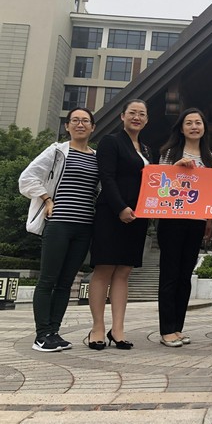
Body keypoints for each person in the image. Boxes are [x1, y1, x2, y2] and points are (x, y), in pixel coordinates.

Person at [19, 107, 99, 352]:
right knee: (48, 280)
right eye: (75, 120)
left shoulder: (97, 157)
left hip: (84, 227)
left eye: (85, 121)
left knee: (66, 282)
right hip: (59, 224)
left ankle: (54, 331)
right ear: (67, 126)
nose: (80, 124)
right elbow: (27, 177)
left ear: (93, 127)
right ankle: (42, 335)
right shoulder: (56, 152)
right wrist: (46, 198)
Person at [89, 99, 152, 350]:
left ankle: (118, 329)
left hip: (138, 216)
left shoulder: (147, 149)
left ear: (147, 120)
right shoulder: (111, 141)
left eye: (142, 114)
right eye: (132, 113)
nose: (137, 117)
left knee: (124, 271)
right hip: (112, 213)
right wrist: (120, 208)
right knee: (104, 269)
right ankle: (97, 328)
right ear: (122, 116)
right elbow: (107, 176)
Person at [157, 108, 212, 347]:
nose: (194, 126)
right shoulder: (169, 153)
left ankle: (178, 327)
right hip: (171, 220)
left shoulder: (209, 157)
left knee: (185, 275)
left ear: (204, 128)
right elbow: (159, 185)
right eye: (189, 123)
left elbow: (211, 190)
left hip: (197, 221)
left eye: (198, 123)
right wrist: (175, 169)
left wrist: (210, 221)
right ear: (181, 128)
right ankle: (166, 329)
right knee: (170, 274)